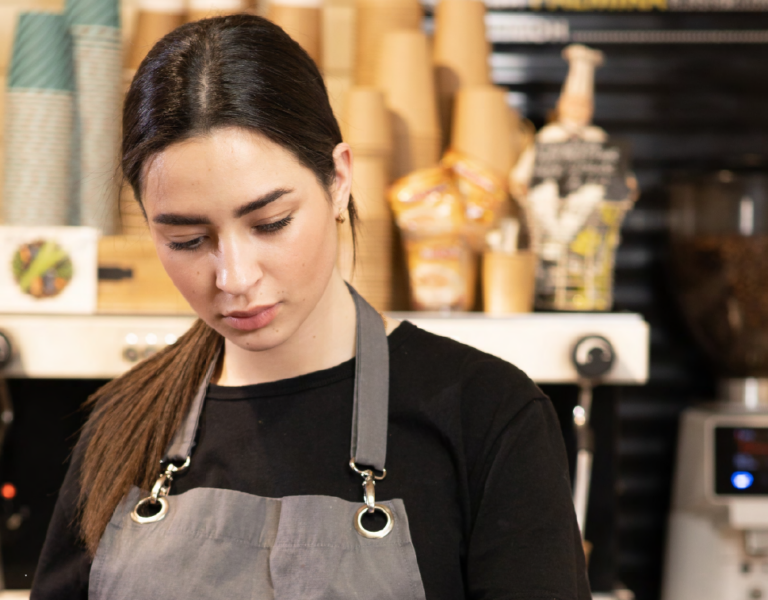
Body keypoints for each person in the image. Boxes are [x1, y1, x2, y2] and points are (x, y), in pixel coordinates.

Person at [31, 14, 589, 600]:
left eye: (271, 223)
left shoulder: (486, 414)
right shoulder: (125, 421)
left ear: (339, 179)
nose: (235, 277)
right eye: (188, 240)